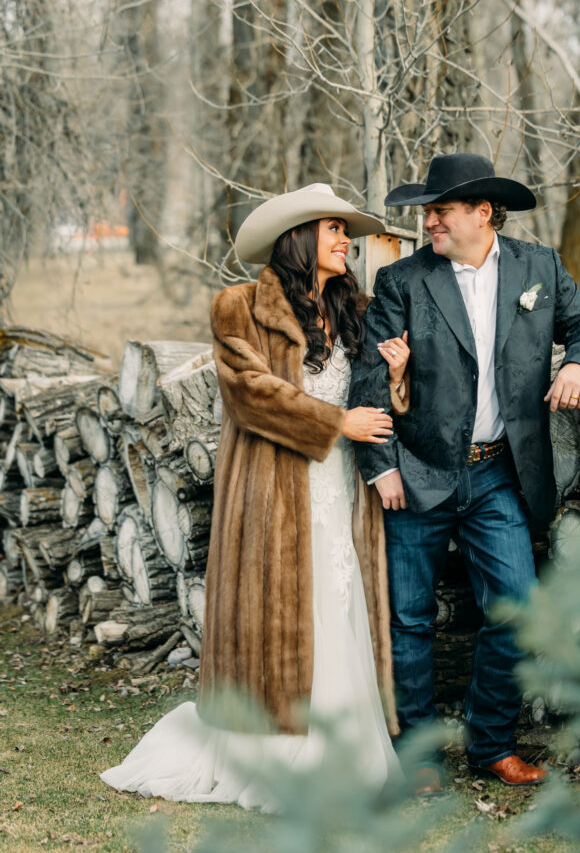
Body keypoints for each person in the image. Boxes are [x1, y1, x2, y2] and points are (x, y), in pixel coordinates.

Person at [101, 183, 405, 811]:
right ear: (299, 238)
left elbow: (375, 392)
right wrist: (334, 423)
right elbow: (250, 393)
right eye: (333, 229)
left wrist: (397, 382)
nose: (347, 240)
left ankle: (341, 753)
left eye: (347, 231)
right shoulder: (239, 307)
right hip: (273, 490)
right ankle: (276, 755)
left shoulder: (358, 309)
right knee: (287, 615)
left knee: (340, 604)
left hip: (343, 485)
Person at [349, 152, 580, 791]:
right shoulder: (401, 281)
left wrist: (579, 365)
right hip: (417, 468)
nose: (428, 221)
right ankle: (417, 754)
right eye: (428, 211)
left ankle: (490, 743)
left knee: (517, 608)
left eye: (440, 210)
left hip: (500, 473)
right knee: (409, 618)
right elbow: (368, 376)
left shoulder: (538, 267)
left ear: (483, 213)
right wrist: (381, 465)